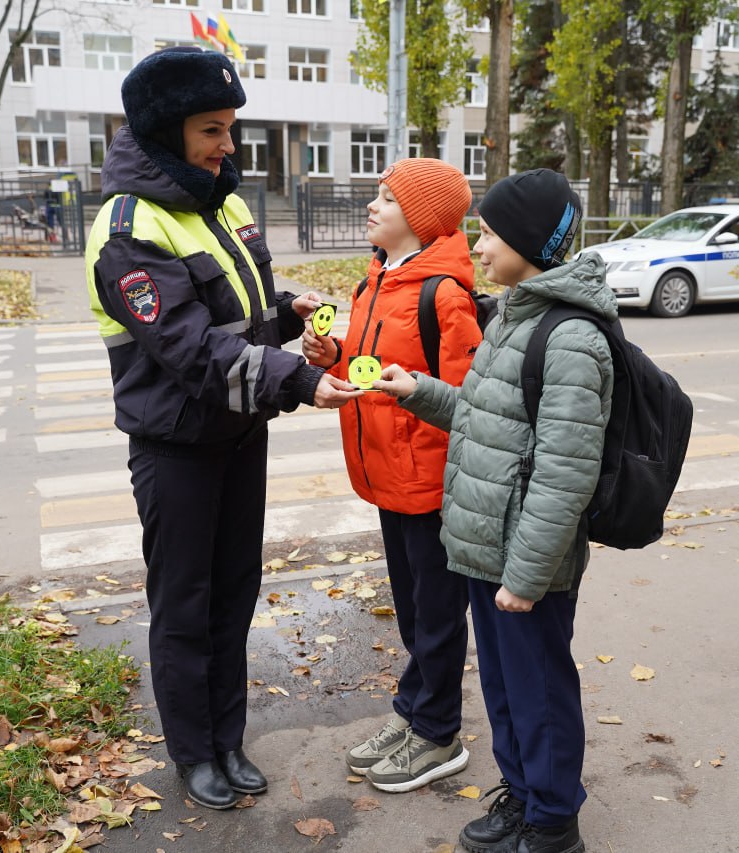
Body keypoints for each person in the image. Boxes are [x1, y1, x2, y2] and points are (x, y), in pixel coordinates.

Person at [83, 46, 362, 811]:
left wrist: (290, 312)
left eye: (230, 127)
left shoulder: (223, 203)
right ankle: (194, 752)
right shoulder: (127, 228)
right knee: (186, 605)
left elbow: (240, 313)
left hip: (239, 433)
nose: (228, 145)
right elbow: (190, 348)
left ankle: (228, 739)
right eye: (212, 129)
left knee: (234, 594)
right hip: (176, 447)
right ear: (166, 130)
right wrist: (298, 380)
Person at [372, 169, 612, 853]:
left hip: (525, 563)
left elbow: (565, 474)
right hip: (486, 548)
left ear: (529, 242)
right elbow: (487, 419)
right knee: (507, 691)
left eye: (488, 234)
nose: (476, 247)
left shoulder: (571, 338)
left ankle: (553, 822)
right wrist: (419, 390)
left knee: (540, 693)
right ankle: (523, 795)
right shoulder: (514, 314)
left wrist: (527, 576)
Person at [300, 158, 481, 793]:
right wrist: (332, 355)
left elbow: (466, 399)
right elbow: (369, 365)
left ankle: (439, 734)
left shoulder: (444, 294)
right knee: (411, 610)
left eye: (387, 198)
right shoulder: (375, 281)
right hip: (385, 476)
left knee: (436, 614)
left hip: (430, 485)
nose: (372, 206)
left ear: (422, 219)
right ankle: (413, 712)